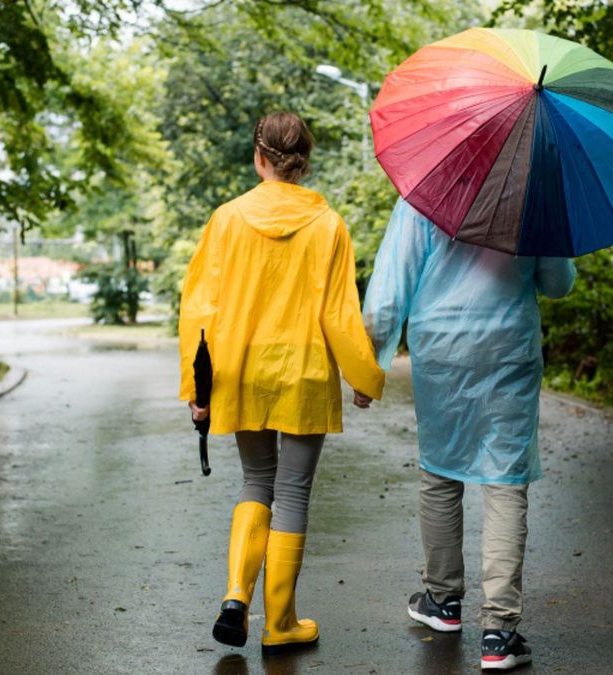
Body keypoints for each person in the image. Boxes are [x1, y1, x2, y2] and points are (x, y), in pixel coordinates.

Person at [178, 112, 385, 654]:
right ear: (305, 161)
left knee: (255, 483)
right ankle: (281, 624)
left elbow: (200, 312)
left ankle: (234, 599)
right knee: (292, 491)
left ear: (258, 157)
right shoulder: (329, 224)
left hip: (243, 371)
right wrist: (363, 376)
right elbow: (340, 314)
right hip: (305, 372)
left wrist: (200, 390)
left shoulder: (226, 220)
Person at [362, 197, 576, 671]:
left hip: (441, 352)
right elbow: (557, 284)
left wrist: (369, 366)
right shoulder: (533, 194)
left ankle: (442, 600)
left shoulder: (423, 195)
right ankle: (500, 633)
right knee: (505, 480)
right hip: (509, 350)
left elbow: (387, 298)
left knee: (440, 473)